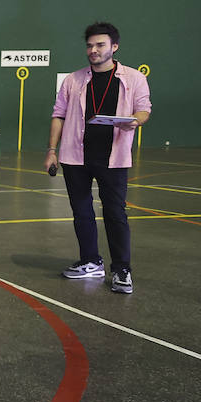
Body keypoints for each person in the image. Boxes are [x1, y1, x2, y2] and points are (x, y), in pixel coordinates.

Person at [45, 22, 152, 294]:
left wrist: (134, 122)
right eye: (90, 45)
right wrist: (52, 151)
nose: (93, 50)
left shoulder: (134, 78)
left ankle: (122, 270)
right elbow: (58, 114)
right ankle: (90, 261)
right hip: (75, 157)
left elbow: (144, 110)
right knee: (82, 213)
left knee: (115, 213)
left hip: (113, 158)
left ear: (114, 47)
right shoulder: (73, 80)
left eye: (100, 45)